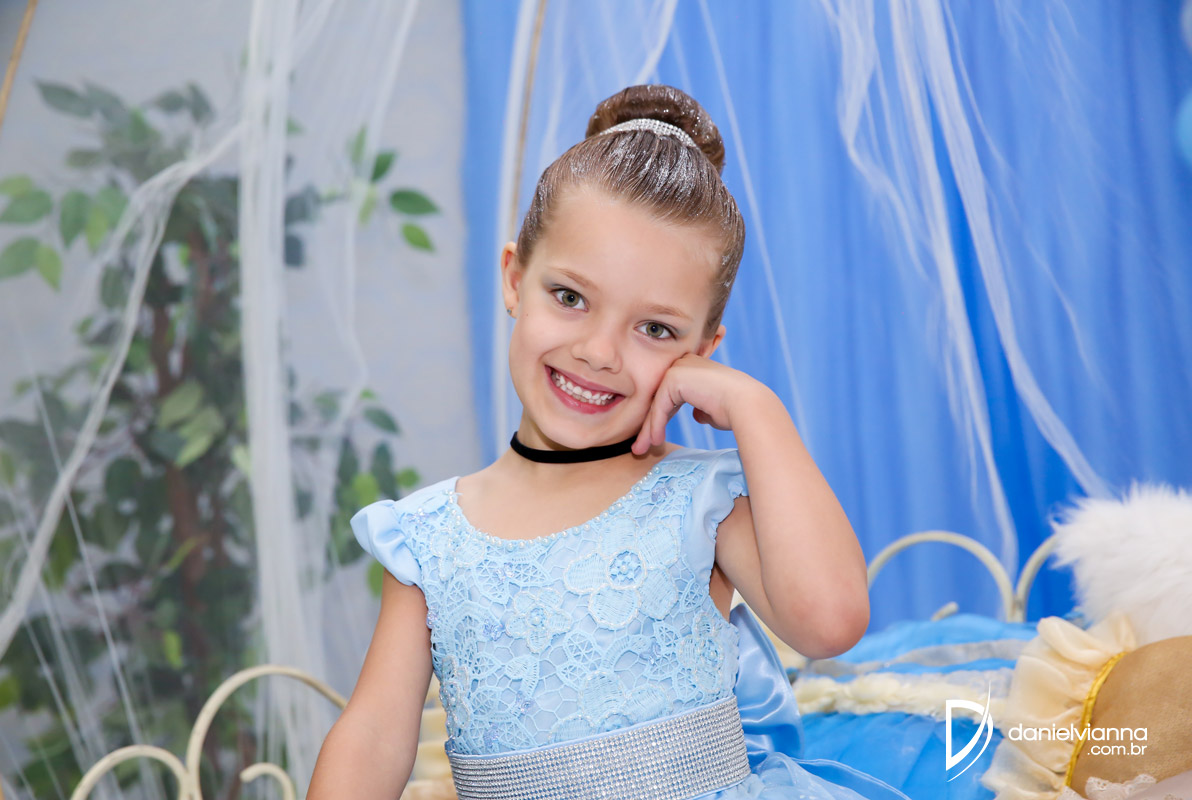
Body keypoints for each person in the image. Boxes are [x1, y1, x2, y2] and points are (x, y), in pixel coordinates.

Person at [306, 84, 909, 800]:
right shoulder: (427, 540)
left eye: (654, 329)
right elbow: (374, 735)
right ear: (514, 278)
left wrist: (757, 409)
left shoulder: (700, 502)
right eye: (570, 297)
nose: (598, 352)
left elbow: (831, 622)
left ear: (701, 353)